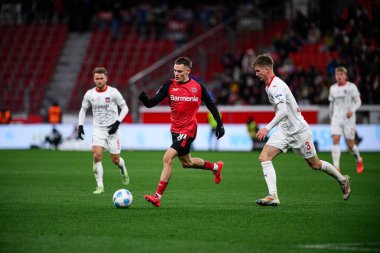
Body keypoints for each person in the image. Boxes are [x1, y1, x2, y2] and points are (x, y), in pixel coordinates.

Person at [251, 54, 350, 206]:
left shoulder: (276, 87)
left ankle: (343, 180)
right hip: (284, 131)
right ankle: (273, 196)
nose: (256, 74)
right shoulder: (268, 86)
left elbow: (283, 111)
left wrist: (267, 128)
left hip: (299, 131)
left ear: (266, 69)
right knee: (264, 157)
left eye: (258, 71)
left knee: (315, 165)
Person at [139, 57, 225, 207]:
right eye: (174, 70)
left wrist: (219, 123)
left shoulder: (197, 87)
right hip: (175, 130)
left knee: (167, 158)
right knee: (187, 163)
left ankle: (157, 196)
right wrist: (146, 101)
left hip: (189, 129)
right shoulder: (169, 85)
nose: (176, 73)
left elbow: (211, 104)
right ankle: (216, 167)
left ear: (188, 71)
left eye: (179, 71)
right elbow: (154, 101)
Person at [77, 67, 130, 194]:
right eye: (97, 79)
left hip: (113, 129)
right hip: (98, 129)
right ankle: (100, 186)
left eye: (101, 78)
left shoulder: (113, 92)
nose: (99, 81)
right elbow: (83, 109)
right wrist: (80, 126)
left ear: (106, 78)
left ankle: (122, 169)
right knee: (96, 155)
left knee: (115, 160)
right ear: (93, 79)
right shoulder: (90, 94)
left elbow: (125, 108)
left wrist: (117, 123)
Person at [329, 67, 364, 174]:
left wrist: (352, 110)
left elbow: (358, 101)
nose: (339, 76)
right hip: (336, 118)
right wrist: (331, 117)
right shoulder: (333, 88)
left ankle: (358, 159)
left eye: (341, 74)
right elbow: (331, 104)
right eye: (337, 74)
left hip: (348, 118)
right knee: (335, 139)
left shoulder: (351, 87)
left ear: (345, 76)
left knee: (350, 145)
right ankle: (336, 167)